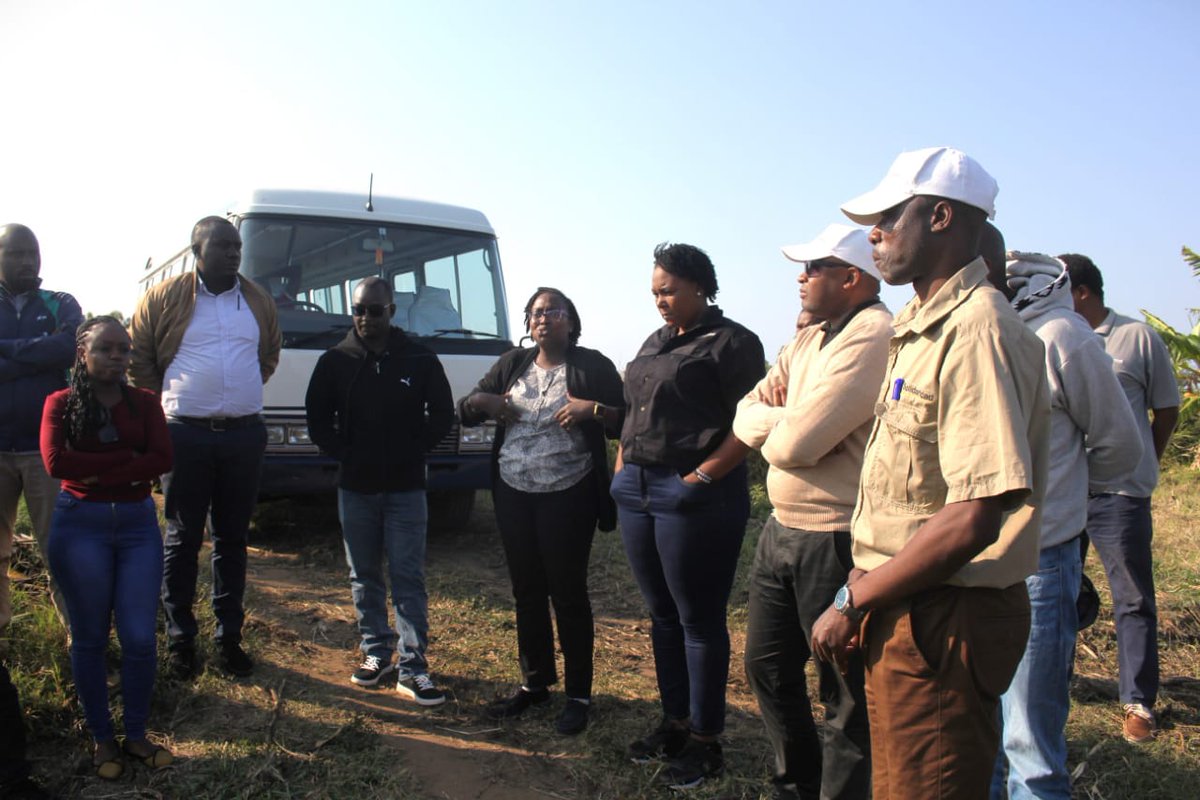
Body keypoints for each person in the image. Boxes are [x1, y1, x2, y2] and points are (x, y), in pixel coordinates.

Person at [810, 146, 1051, 799]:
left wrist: (851, 598)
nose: (874, 235)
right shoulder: (920, 325)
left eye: (889, 216)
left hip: (944, 616)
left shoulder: (977, 330)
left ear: (940, 217)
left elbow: (973, 516)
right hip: (906, 601)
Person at [734, 224, 891, 800]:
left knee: (844, 691)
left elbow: (798, 444)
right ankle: (796, 784)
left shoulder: (873, 333)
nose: (801, 278)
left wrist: (786, 422)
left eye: (814, 268)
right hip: (782, 529)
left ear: (852, 278)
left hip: (836, 535)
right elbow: (746, 412)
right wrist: (790, 418)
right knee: (767, 668)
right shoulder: (810, 338)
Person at [612, 242, 765, 789]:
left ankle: (706, 740)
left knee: (698, 619)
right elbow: (635, 413)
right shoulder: (655, 342)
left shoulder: (733, 344)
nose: (661, 300)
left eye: (670, 290)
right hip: (639, 490)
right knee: (661, 615)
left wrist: (700, 478)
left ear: (701, 286)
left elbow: (752, 422)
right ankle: (674, 722)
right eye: (655, 291)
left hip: (697, 495)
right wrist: (622, 471)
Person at [990, 250, 1142, 798]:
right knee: (984, 731)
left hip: (1039, 560)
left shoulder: (1060, 336)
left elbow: (1119, 446)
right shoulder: (978, 330)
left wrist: (1060, 499)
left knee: (1028, 739)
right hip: (970, 559)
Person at [459, 287, 624, 735]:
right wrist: (483, 402)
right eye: (535, 312)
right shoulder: (513, 364)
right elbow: (465, 411)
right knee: (526, 590)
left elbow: (628, 420)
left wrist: (595, 410)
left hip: (568, 494)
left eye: (553, 311)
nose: (543, 318)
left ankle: (578, 695)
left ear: (571, 319)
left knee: (567, 593)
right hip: (513, 493)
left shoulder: (592, 366)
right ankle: (535, 686)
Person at [129, 216, 281, 679]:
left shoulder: (255, 300)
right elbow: (140, 358)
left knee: (233, 539)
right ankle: (181, 641)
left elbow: (268, 356)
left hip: (243, 435)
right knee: (182, 536)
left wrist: (235, 395)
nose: (234, 253)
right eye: (223, 246)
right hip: (184, 434)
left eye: (237, 247)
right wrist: (169, 405)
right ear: (198, 250)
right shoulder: (164, 297)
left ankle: (228, 639)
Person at [305, 277, 454, 706]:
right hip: (356, 488)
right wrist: (345, 454)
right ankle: (376, 653)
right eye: (358, 310)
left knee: (408, 577)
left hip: (407, 487)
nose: (365, 318)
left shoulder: (420, 359)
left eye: (374, 310)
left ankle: (413, 667)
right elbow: (318, 420)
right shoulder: (335, 361)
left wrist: (414, 450)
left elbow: (442, 414)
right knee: (364, 575)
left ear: (391, 311)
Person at [41, 317, 174, 779]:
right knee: (91, 638)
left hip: (137, 526)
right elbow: (57, 462)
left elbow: (163, 458)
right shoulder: (60, 403)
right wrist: (128, 463)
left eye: (124, 350)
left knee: (139, 638)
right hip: (81, 526)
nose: (117, 357)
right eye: (106, 349)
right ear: (83, 352)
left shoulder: (144, 404)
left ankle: (135, 735)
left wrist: (97, 470)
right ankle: (102, 740)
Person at [1062, 252, 1180, 743]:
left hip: (1120, 494)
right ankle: (1056, 679)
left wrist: (1142, 463)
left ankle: (1138, 703)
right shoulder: (1060, 339)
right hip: (1069, 489)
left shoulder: (1136, 338)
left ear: (1082, 293)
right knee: (1059, 590)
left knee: (1131, 598)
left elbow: (1166, 410)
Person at [0, 223, 82, 630]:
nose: (27, 260)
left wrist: (6, 354)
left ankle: (81, 645)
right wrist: (36, 358)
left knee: (58, 549)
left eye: (32, 252)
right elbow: (51, 353)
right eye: (15, 253)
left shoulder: (59, 302)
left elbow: (69, 347)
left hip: (44, 450)